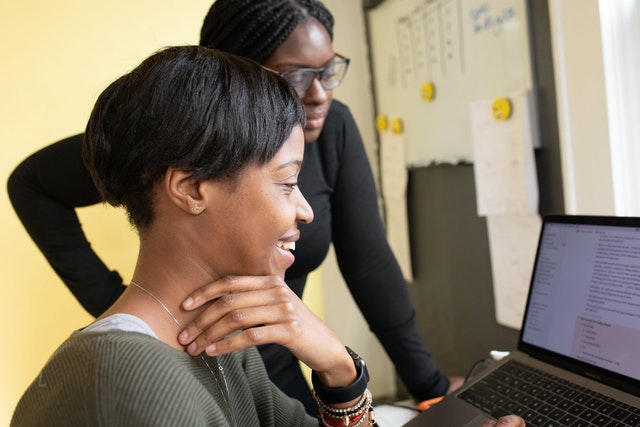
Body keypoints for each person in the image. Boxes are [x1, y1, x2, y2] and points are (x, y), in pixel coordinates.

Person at [11, 45, 526, 427]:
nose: (304, 211)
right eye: (285, 183)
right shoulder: (122, 384)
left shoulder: (220, 339)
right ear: (191, 189)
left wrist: (337, 365)